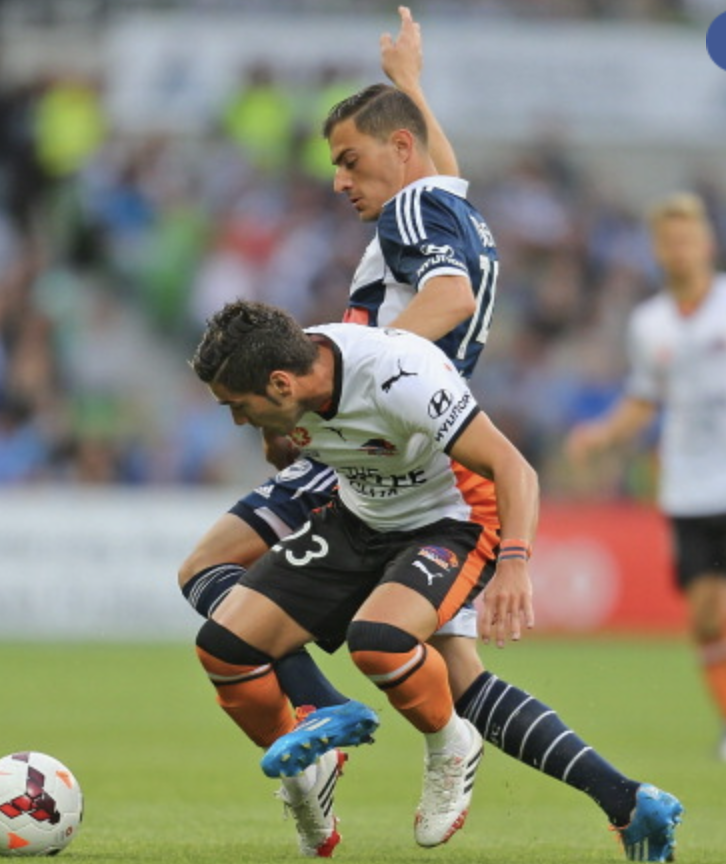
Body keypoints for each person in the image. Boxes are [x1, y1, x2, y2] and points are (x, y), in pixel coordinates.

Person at [180, 8, 684, 863]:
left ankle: (317, 718)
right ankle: (624, 797)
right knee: (450, 677)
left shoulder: (407, 221)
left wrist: (372, 374)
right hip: (378, 434)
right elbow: (440, 171)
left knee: (212, 575)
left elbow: (444, 296)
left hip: (388, 438)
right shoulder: (441, 199)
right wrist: (411, 84)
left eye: (350, 160)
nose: (340, 181)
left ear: (399, 153)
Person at [192, 299, 540, 855]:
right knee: (224, 648)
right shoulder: (287, 375)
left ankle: (451, 742)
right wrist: (276, 436)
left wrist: (516, 563)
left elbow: (513, 467)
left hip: (449, 523)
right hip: (359, 517)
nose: (236, 419)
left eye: (238, 407)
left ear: (282, 384)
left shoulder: (399, 377)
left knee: (379, 642)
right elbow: (292, 447)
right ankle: (309, 768)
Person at [566, 190, 726, 760]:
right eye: (669, 241)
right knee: (708, 618)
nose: (679, 250)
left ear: (706, 243)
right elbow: (643, 398)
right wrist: (602, 434)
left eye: (687, 238)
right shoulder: (650, 323)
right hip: (690, 487)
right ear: (659, 251)